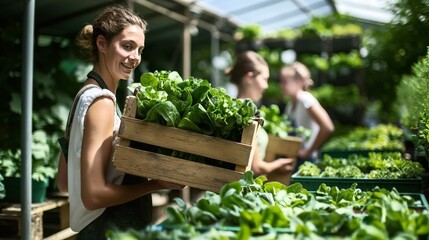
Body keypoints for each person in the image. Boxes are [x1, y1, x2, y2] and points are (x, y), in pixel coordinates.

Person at [56, 5, 183, 239]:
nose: (134, 57)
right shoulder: (102, 103)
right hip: (108, 231)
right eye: (127, 46)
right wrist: (154, 184)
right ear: (102, 44)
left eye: (140, 49)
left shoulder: (84, 95)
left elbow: (64, 183)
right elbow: (93, 195)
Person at [226, 50, 296, 177]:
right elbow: (256, 167)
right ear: (249, 77)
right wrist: (278, 164)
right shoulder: (246, 112)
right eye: (264, 79)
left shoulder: (234, 107)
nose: (266, 86)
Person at [279, 61, 334, 170]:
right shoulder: (290, 105)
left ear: (299, 82)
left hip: (308, 160)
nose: (281, 86)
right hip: (295, 158)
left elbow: (327, 127)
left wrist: (308, 152)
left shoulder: (306, 100)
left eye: (285, 82)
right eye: (280, 82)